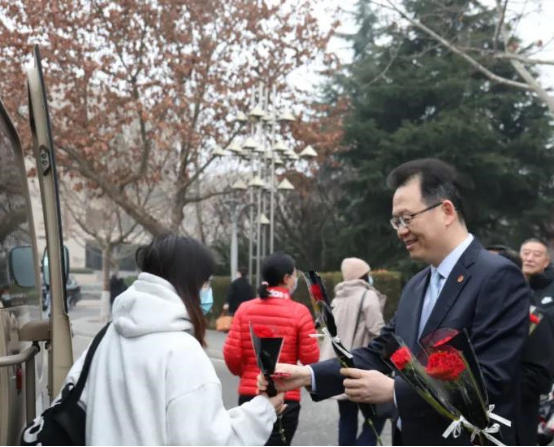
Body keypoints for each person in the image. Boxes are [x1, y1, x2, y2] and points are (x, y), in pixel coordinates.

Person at [260, 159, 530, 446]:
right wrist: (307, 374)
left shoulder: (498, 277)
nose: (401, 231)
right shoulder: (417, 285)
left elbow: (490, 380)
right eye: (396, 221)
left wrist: (395, 391)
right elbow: (381, 352)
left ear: (446, 211)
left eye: (407, 218)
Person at [62, 234, 284, 446]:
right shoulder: (182, 352)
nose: (208, 291)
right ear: (189, 282)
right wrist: (263, 410)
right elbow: (208, 440)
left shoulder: (107, 336)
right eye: (206, 282)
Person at [223, 252, 320, 447]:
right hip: (286, 396)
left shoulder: (244, 309)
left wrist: (246, 374)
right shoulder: (300, 312)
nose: (295, 280)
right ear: (286, 278)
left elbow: (232, 354)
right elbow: (310, 359)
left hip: (250, 395)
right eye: (294, 275)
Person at [490, 244, 554, 446]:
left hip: (514, 423)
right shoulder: (473, 311)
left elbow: (540, 378)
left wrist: (491, 382)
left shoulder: (533, 317)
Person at [319, 258, 387, 446]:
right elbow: (377, 330)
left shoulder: (337, 298)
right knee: (377, 416)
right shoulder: (368, 296)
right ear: (363, 275)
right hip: (362, 365)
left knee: (347, 418)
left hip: (340, 367)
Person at [520, 238, 554, 313]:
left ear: (546, 262)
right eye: (526, 253)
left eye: (537, 255)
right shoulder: (507, 283)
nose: (529, 259)